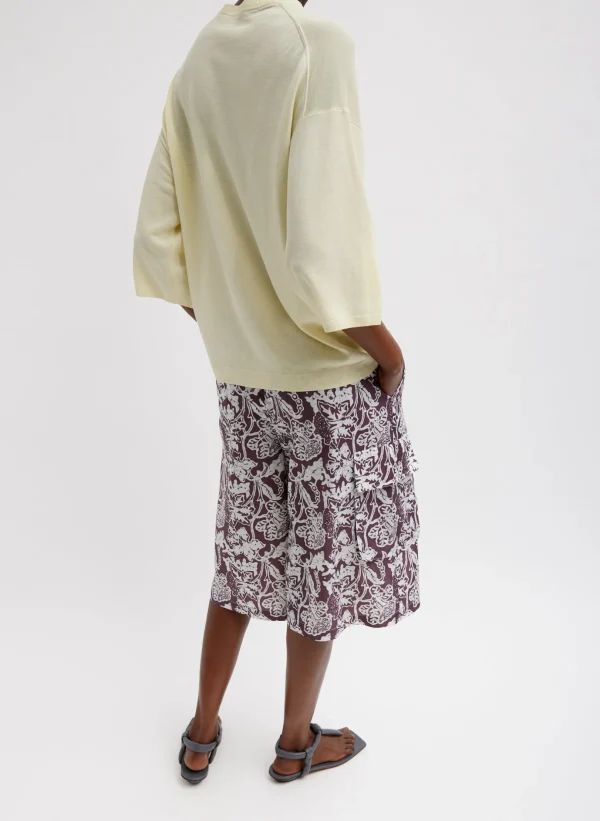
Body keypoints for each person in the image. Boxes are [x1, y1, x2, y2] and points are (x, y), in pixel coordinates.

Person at [133, 0, 420, 785]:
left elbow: (157, 233)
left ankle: (201, 731)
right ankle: (295, 745)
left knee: (242, 551)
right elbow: (324, 239)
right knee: (319, 567)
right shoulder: (317, 43)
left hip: (243, 379)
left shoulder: (200, 60)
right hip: (326, 379)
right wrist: (387, 351)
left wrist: (231, 324)